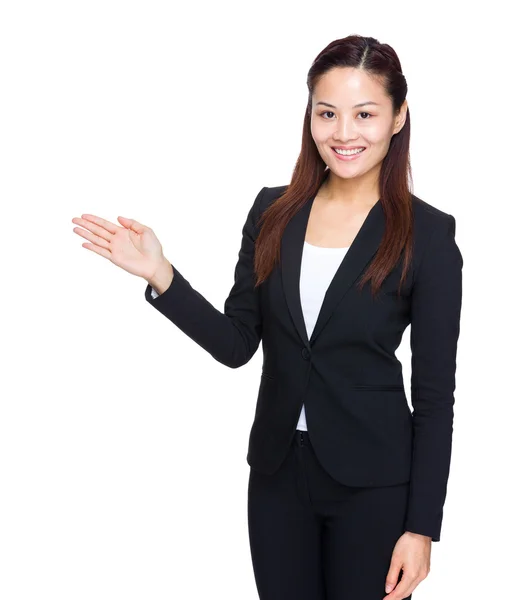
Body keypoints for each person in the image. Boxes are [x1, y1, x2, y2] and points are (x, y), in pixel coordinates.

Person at [72, 34, 463, 600]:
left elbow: (434, 396)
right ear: (310, 115)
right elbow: (236, 343)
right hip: (278, 477)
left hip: (374, 485)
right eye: (327, 113)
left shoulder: (428, 236)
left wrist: (422, 526)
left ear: (398, 117)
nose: (344, 133)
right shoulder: (273, 211)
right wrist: (162, 276)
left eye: (365, 114)